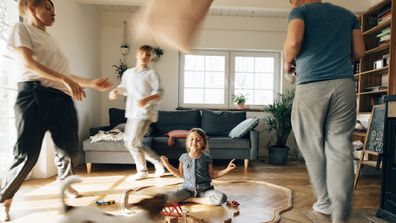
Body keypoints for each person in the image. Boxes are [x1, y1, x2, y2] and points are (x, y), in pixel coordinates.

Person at [0, 0, 111, 221]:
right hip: (34, 94)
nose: (53, 12)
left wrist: (91, 82)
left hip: (60, 97)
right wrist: (65, 80)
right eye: (47, 8)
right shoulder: (22, 29)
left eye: (53, 8)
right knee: (27, 155)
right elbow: (28, 62)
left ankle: (65, 180)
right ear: (31, 8)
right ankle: (6, 197)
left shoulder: (50, 40)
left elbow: (65, 75)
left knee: (70, 148)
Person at [283, 0, 365, 222]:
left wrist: (287, 63)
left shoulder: (300, 11)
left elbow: (294, 42)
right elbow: (359, 51)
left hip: (311, 85)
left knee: (312, 145)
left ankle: (325, 203)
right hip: (345, 86)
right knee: (340, 147)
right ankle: (341, 213)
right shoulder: (348, 15)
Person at [108, 45, 165, 181]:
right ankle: (159, 163)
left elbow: (159, 92)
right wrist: (116, 91)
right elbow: (125, 88)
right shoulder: (128, 73)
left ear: (150, 58)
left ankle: (143, 170)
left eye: (148, 55)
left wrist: (147, 98)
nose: (146, 57)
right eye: (144, 54)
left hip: (145, 113)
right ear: (137, 54)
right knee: (132, 142)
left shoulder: (152, 74)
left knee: (132, 142)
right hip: (131, 112)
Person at [160, 128, 236, 205]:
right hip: (187, 190)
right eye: (191, 139)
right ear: (187, 142)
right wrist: (167, 164)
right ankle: (200, 200)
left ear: (203, 143)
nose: (194, 142)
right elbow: (179, 174)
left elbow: (212, 175)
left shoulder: (207, 158)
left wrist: (227, 169)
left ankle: (192, 200)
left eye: (198, 139)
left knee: (222, 198)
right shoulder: (183, 157)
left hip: (205, 191)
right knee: (166, 197)